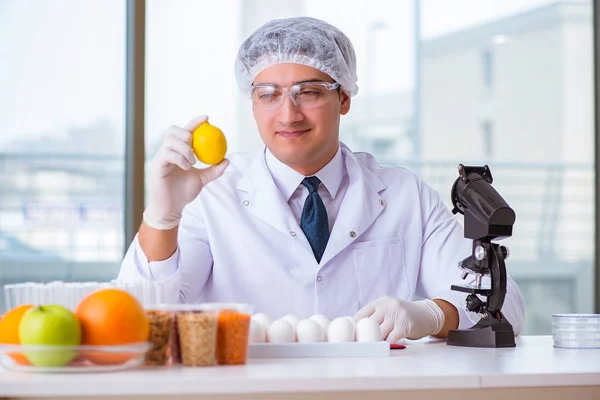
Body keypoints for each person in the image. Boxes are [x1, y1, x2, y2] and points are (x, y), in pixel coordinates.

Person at [118, 16, 525, 342]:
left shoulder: (405, 195)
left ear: (344, 97)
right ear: (253, 103)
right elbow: (134, 320)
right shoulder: (211, 197)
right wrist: (161, 218)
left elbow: (505, 307)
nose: (288, 114)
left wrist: (432, 314)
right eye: (268, 94)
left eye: (308, 92)